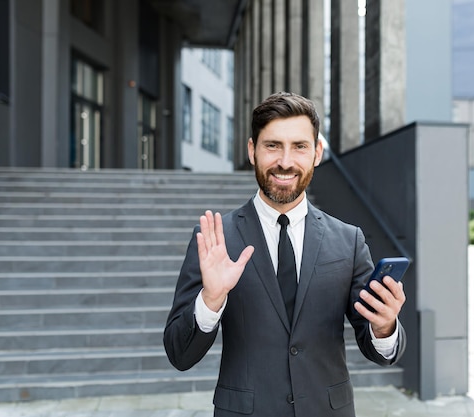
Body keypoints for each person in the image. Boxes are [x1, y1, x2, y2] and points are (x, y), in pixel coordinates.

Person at [163, 92, 407, 417]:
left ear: (317, 153)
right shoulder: (216, 239)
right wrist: (210, 300)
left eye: (300, 146)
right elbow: (180, 355)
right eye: (272, 145)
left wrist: (385, 326)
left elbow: (379, 350)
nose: (286, 161)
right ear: (252, 150)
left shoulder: (348, 241)